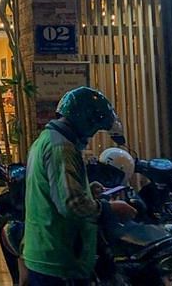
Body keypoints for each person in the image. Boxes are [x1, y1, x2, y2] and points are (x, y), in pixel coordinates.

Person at [23, 87, 137, 285]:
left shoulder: (47, 139)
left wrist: (88, 190)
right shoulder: (62, 148)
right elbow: (71, 205)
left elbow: (55, 190)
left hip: (47, 252)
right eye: (94, 129)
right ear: (85, 122)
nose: (91, 136)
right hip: (58, 258)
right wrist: (109, 209)